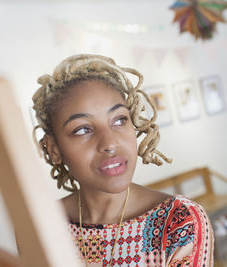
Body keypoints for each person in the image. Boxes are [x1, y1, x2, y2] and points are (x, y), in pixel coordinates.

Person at [31, 54, 214, 267]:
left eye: (119, 120)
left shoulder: (178, 221)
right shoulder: (40, 226)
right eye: (83, 129)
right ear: (54, 149)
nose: (110, 143)